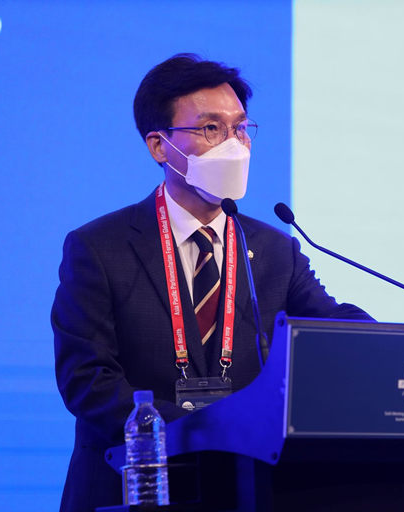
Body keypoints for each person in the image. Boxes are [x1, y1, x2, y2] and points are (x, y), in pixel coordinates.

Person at [51, 53, 372, 512]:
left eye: (240, 128)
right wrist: (199, 432)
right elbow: (87, 380)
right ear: (160, 146)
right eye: (211, 128)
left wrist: (381, 344)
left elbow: (328, 329)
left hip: (246, 489)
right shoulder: (99, 247)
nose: (234, 144)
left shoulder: (275, 250)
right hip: (131, 487)